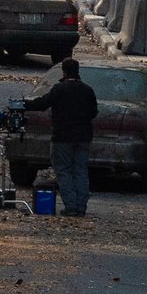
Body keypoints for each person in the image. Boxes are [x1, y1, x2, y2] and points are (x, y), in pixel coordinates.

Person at [22, 58, 99, 217]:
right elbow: (93, 113)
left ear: (63, 71)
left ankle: (70, 206)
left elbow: (42, 104)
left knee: (63, 171)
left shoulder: (59, 89)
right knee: (80, 171)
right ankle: (81, 206)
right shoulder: (87, 90)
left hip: (62, 137)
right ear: (78, 71)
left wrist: (23, 104)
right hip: (84, 137)